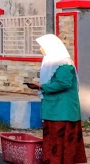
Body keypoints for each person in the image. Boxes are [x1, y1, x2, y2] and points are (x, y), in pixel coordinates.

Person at [27, 34, 87, 163]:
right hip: (55, 109)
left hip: (63, 111)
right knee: (53, 141)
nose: (40, 50)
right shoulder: (52, 64)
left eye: (42, 47)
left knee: (62, 142)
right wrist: (40, 86)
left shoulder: (63, 64)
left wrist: (41, 86)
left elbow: (64, 83)